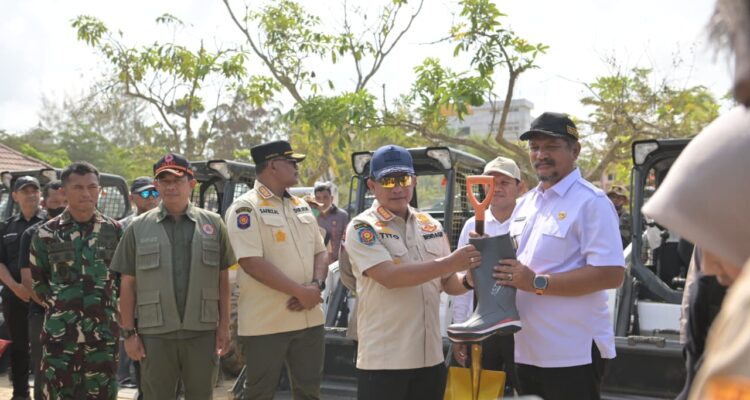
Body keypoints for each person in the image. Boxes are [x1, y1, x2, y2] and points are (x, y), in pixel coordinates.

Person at [496, 112, 625, 400]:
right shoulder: (525, 204)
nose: (540, 155)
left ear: (574, 150)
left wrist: (537, 283)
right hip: (526, 348)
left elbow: (611, 274)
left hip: (572, 352)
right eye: (535, 147)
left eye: (551, 147)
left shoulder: (591, 202)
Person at [344, 144, 481, 400]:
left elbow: (447, 282)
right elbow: (390, 277)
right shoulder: (362, 227)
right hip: (385, 362)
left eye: (404, 179)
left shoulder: (430, 225)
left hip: (430, 358)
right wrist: (452, 263)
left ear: (414, 181)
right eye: (388, 180)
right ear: (372, 185)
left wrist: (469, 281)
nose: (397, 188)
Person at [110, 153, 235, 400]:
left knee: (201, 395)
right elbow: (128, 284)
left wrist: (224, 326)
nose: (171, 186)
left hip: (201, 333)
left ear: (191, 184)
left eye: (178, 180)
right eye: (164, 181)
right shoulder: (138, 227)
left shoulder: (213, 224)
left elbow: (223, 280)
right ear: (156, 185)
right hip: (155, 335)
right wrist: (129, 334)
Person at [225, 140, 328, 400]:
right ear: (272, 165)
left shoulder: (301, 205)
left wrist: (316, 286)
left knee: (310, 393)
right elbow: (250, 261)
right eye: (291, 162)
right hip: (267, 324)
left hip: (309, 317)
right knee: (259, 393)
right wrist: (300, 292)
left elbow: (321, 251)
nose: (296, 167)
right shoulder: (245, 208)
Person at [29, 162, 122, 400]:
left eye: (92, 187)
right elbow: (39, 283)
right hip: (61, 339)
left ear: (100, 190)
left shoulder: (115, 231)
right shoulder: (46, 234)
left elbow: (124, 281)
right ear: (63, 191)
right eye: (78, 187)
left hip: (102, 337)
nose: (86, 193)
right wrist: (62, 308)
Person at [451, 156, 523, 392]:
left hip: (521, 325)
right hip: (483, 325)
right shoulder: (472, 225)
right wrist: (461, 328)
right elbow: (463, 280)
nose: (497, 188)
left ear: (519, 187)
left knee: (524, 388)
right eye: (490, 183)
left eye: (504, 182)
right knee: (482, 391)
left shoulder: (529, 223)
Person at [18, 180, 66, 400]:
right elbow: (28, 281)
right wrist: (54, 307)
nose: (60, 207)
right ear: (45, 204)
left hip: (79, 315)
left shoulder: (85, 231)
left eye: (63, 202)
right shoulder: (33, 234)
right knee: (44, 373)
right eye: (55, 203)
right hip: (43, 314)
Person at [0, 176, 44, 400]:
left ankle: (43, 392)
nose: (31, 195)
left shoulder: (50, 223)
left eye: (34, 190)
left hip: (43, 298)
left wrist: (34, 290)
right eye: (25, 191)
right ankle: (20, 394)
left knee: (43, 347)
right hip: (14, 295)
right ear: (15, 196)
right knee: (18, 348)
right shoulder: (6, 226)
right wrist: (16, 287)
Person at [116, 176, 160, 394]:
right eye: (145, 193)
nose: (151, 198)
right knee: (139, 362)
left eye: (154, 192)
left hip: (161, 304)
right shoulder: (122, 227)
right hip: (133, 305)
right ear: (132, 198)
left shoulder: (167, 223)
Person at [314, 182, 349, 262]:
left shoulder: (342, 216)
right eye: (318, 198)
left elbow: (346, 240)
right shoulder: (311, 216)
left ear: (332, 198)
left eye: (325, 197)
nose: (322, 201)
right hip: (317, 263)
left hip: (337, 262)